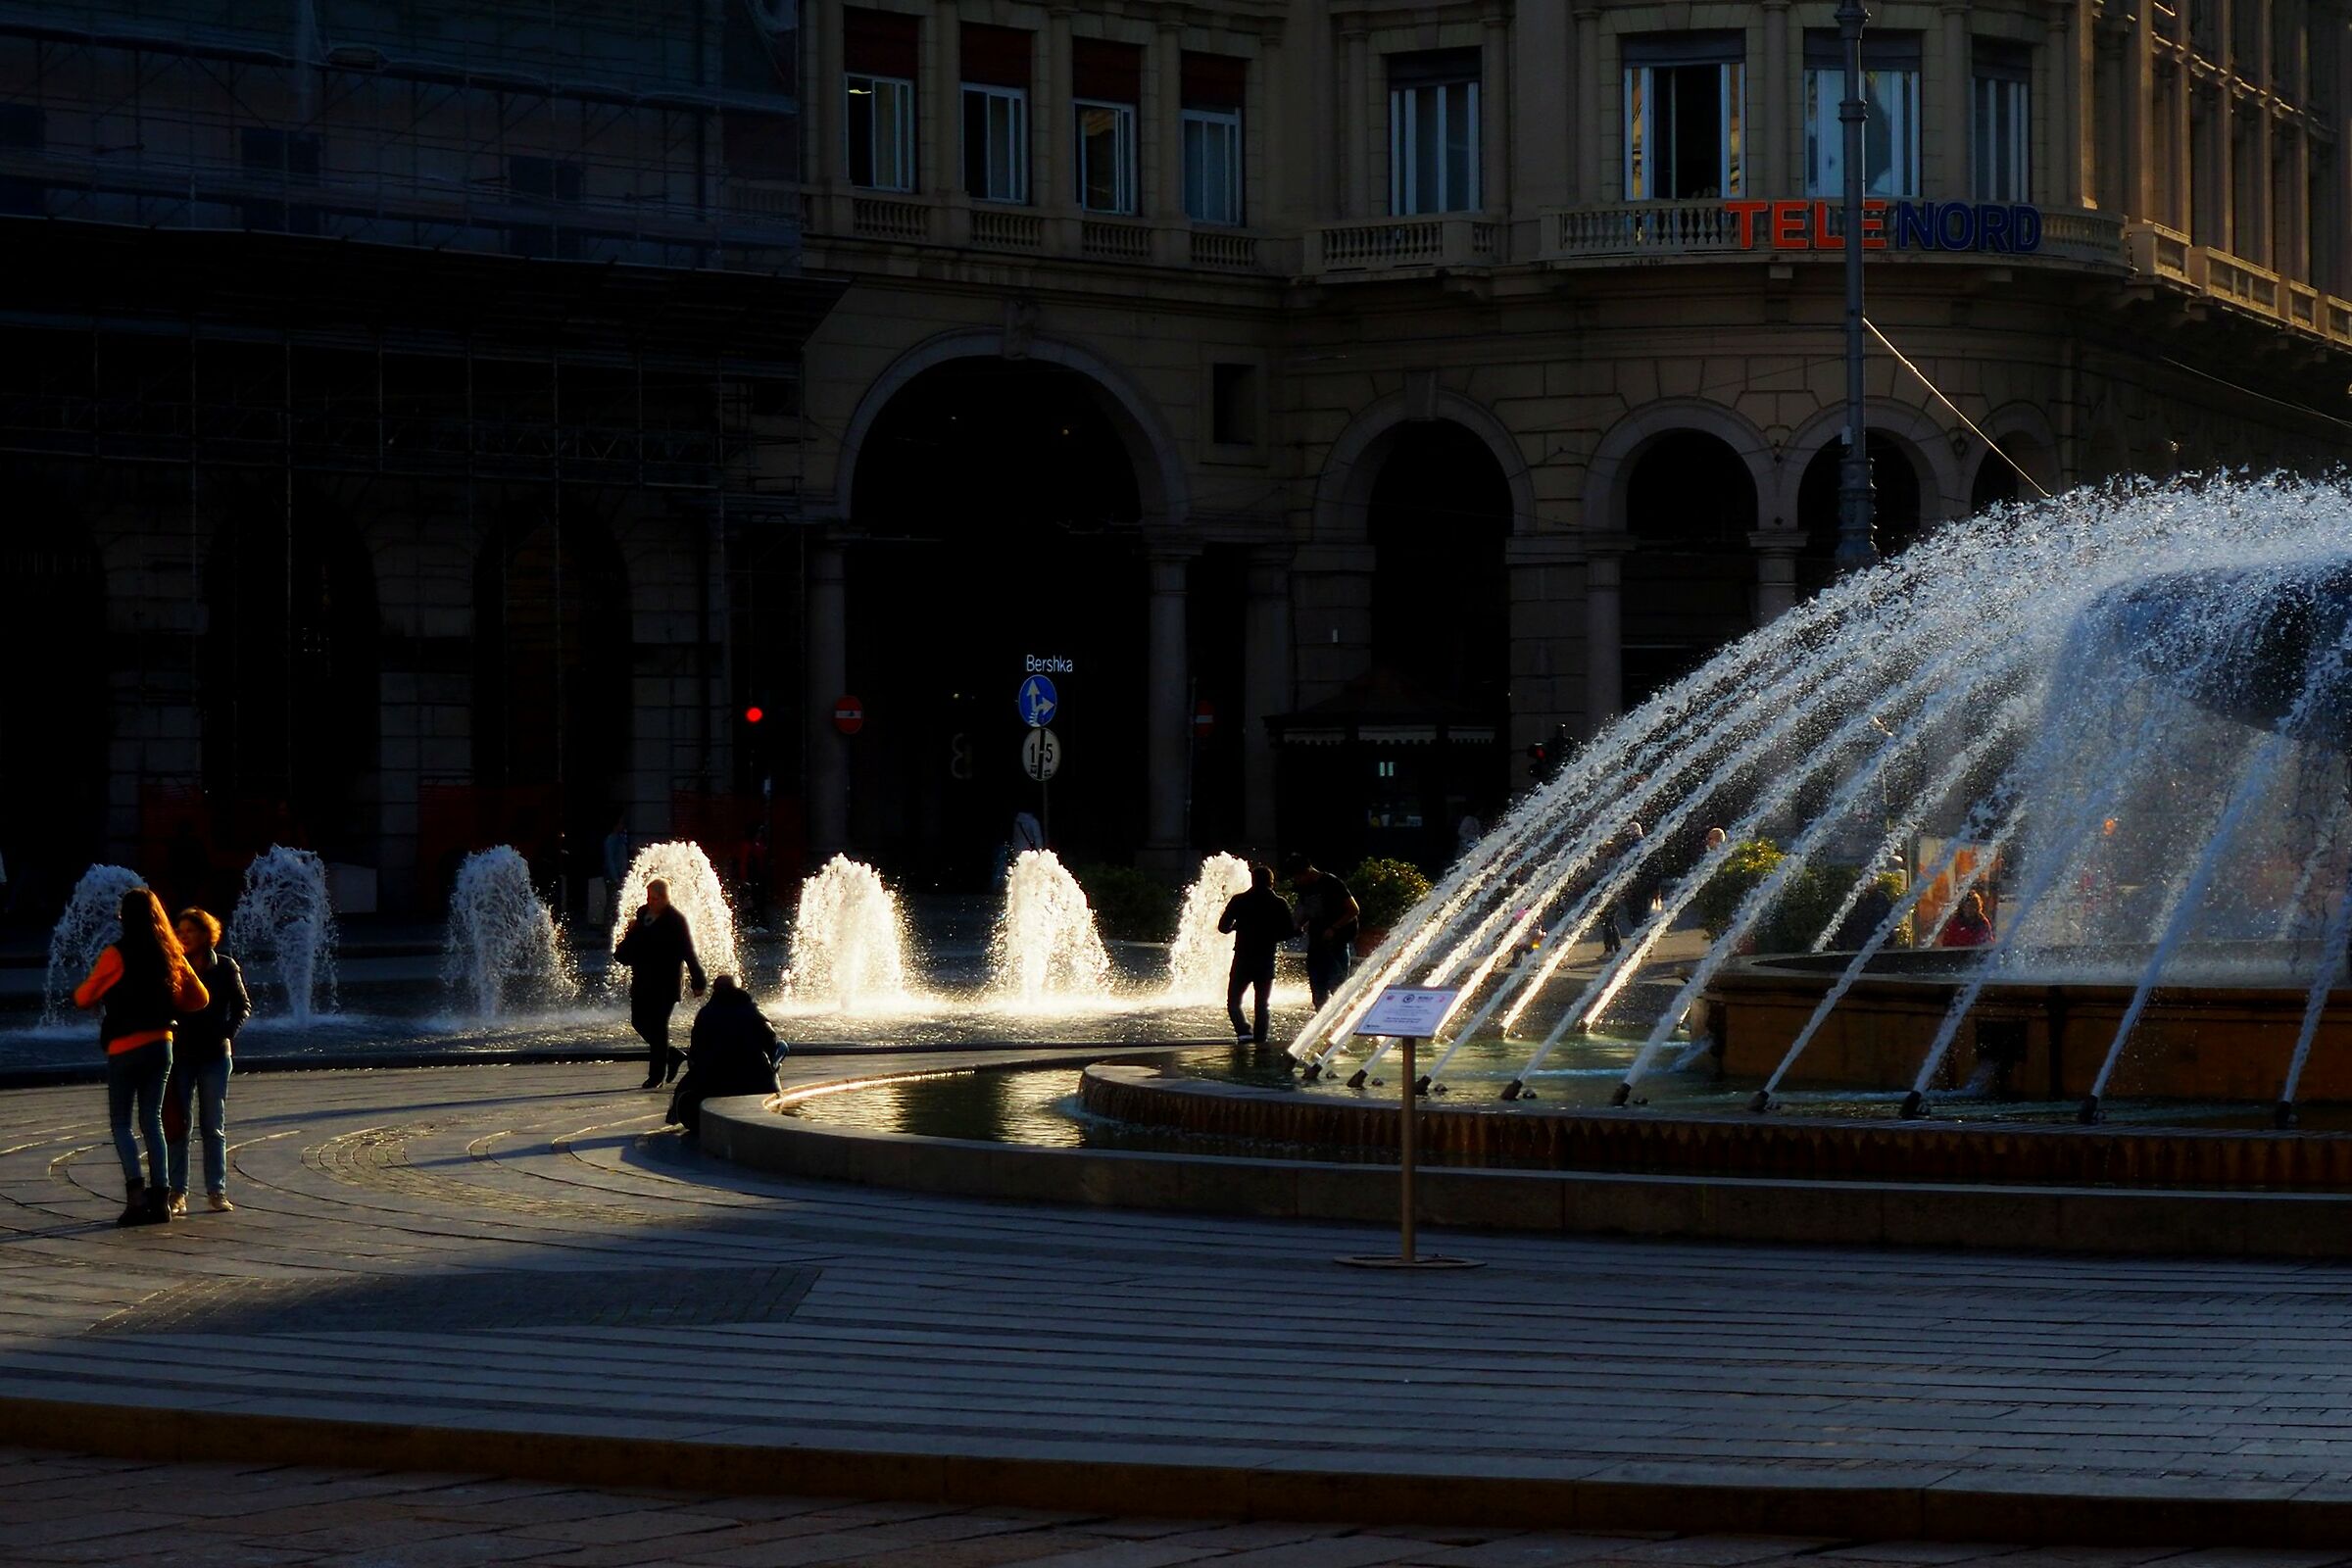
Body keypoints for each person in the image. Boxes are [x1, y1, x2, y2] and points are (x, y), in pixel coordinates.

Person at [73, 887, 207, 1227]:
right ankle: (161, 1201)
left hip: (124, 1047)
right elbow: (200, 998)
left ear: (124, 917)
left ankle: (135, 1198)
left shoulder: (116, 955)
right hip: (162, 1044)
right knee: (153, 1120)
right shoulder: (170, 952)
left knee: (121, 1122)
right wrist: (172, 1001)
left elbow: (83, 997)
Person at [163, 907, 251, 1214]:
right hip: (180, 1055)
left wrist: (226, 1033)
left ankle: (217, 1191)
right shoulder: (173, 965)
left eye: (190, 930)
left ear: (206, 934)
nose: (184, 935)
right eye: (181, 930)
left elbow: (242, 1006)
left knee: (213, 1125)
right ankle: (177, 1193)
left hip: (215, 1055)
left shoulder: (225, 967)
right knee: (179, 1126)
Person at [613, 877, 705, 1089]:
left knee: (658, 1027)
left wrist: (698, 980)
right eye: (649, 898)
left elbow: (688, 951)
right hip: (642, 980)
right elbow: (633, 943)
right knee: (639, 1022)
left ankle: (656, 1076)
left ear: (665, 898)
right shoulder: (643, 914)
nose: (651, 902)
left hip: (666, 983)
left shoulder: (675, 920)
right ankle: (672, 1055)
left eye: (655, 898)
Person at [667, 976, 785, 1137]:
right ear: (738, 988)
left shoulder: (706, 1014)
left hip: (714, 1079)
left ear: (715, 991)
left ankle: (675, 1113)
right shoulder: (752, 1011)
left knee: (685, 1086)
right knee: (771, 1071)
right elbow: (771, 1040)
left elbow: (696, 1051)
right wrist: (773, 1062)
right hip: (755, 1078)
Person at [1217, 862, 1293, 1045]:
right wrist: (1273, 935)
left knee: (1233, 1001)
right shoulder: (1279, 903)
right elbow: (1289, 931)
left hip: (1243, 957)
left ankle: (1243, 1032)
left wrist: (1236, 927)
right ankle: (1260, 1040)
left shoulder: (1239, 900)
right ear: (1271, 882)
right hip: (1266, 958)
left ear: (1252, 880)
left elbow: (1222, 927)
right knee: (1262, 1004)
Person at [1281, 854, 1359, 1008]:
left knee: (1337, 986)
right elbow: (1305, 910)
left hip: (1336, 943)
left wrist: (1333, 928)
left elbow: (1353, 910)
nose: (1296, 881)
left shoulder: (1332, 883)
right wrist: (1297, 925)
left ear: (1307, 871)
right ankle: (1322, 1025)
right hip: (1317, 942)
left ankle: (1344, 1021)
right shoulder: (1304, 887)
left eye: (1297, 877)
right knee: (1318, 990)